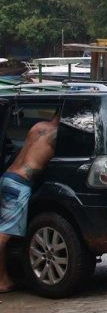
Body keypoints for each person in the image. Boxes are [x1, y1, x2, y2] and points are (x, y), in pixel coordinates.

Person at [0, 114, 60, 293]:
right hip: (20, 184)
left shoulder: (38, 126)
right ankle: (1, 282)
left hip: (8, 177)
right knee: (3, 235)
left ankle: (4, 279)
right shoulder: (57, 135)